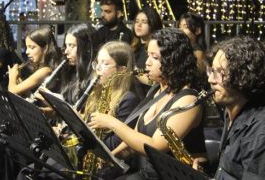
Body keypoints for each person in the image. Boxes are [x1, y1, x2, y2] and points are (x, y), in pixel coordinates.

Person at [88, 28, 206, 179]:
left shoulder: (188, 100)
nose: (147, 62)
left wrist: (113, 123)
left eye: (154, 57)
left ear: (173, 60)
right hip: (147, 173)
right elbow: (136, 135)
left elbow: (157, 146)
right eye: (148, 55)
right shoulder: (157, 89)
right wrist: (112, 156)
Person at [207, 36, 265, 179]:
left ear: (244, 77)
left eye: (220, 73)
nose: (211, 80)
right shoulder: (232, 112)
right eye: (212, 71)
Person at [82, 41, 140, 150]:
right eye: (97, 62)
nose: (98, 68)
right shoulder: (97, 91)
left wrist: (83, 141)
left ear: (122, 70)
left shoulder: (129, 99)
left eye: (105, 64)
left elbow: (115, 143)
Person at [8, 27, 61, 98]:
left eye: (32, 47)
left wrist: (12, 76)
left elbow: (12, 91)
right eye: (27, 47)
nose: (27, 52)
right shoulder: (43, 68)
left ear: (45, 48)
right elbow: (31, 96)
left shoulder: (45, 70)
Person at [131, 7, 163, 99]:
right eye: (137, 21)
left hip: (145, 100)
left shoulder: (156, 51)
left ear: (153, 24)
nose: (138, 25)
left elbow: (152, 82)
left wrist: (134, 69)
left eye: (144, 22)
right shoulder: (133, 48)